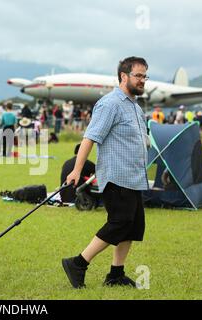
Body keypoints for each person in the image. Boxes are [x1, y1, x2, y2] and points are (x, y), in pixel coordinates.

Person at [63, 56, 150, 288]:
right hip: (116, 175)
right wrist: (76, 170)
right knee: (119, 222)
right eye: (138, 75)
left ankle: (115, 274)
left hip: (134, 177)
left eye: (145, 76)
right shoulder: (110, 103)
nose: (143, 80)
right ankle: (78, 263)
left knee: (132, 227)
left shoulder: (135, 106)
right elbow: (90, 137)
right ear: (124, 76)